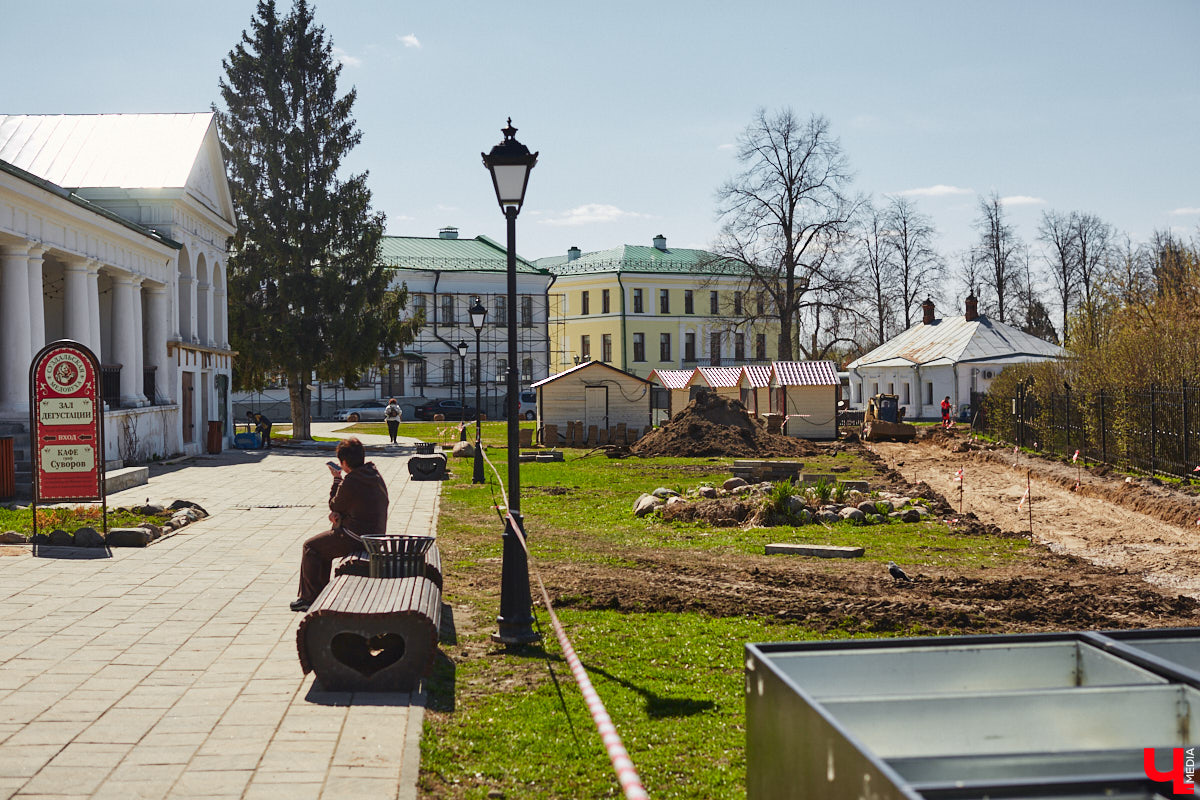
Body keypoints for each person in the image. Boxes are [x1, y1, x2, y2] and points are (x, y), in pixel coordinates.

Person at [290, 438, 388, 611]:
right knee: (324, 548)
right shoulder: (372, 473)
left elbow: (335, 504)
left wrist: (337, 479)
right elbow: (349, 504)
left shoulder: (351, 480)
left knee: (311, 547)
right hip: (375, 534)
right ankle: (319, 594)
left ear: (343, 462)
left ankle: (309, 598)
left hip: (357, 537)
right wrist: (339, 514)